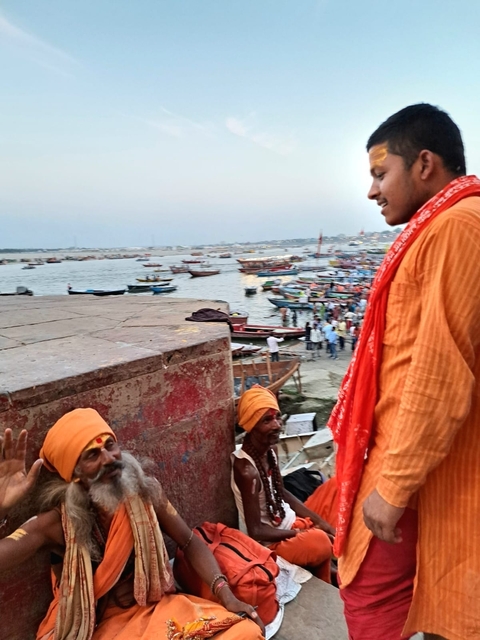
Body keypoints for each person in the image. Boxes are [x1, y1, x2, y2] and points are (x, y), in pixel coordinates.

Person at [328, 104, 480, 640]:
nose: (372, 191)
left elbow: (440, 371)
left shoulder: (457, 227)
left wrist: (393, 486)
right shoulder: (445, 224)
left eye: (378, 173)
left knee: (371, 595)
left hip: (417, 465)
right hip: (428, 464)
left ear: (423, 164)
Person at [0, 410, 264, 640]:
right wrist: (1, 507)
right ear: (74, 474)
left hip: (157, 607)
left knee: (246, 633)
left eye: (110, 445)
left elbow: (189, 541)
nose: (108, 459)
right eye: (92, 455)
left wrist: (225, 593)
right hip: (102, 626)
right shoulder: (56, 524)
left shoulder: (146, 492)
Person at [232, 387, 335, 582]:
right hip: (269, 543)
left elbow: (281, 492)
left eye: (278, 417)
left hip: (288, 523)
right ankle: (330, 574)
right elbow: (256, 531)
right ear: (251, 426)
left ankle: (328, 573)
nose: (277, 425)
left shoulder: (270, 450)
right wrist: (299, 532)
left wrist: (320, 522)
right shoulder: (247, 471)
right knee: (321, 541)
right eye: (267, 420)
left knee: (330, 529)